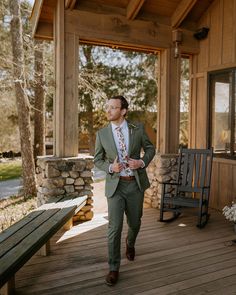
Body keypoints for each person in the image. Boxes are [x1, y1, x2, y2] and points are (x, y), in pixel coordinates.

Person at [94, 95, 155, 286]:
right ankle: (113, 267)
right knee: (114, 227)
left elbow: (150, 148)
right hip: (116, 186)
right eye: (108, 107)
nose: (108, 110)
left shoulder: (137, 129)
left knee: (135, 222)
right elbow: (98, 160)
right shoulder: (102, 134)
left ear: (123, 111)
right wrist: (111, 168)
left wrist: (141, 162)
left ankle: (130, 243)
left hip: (135, 184)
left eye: (113, 108)